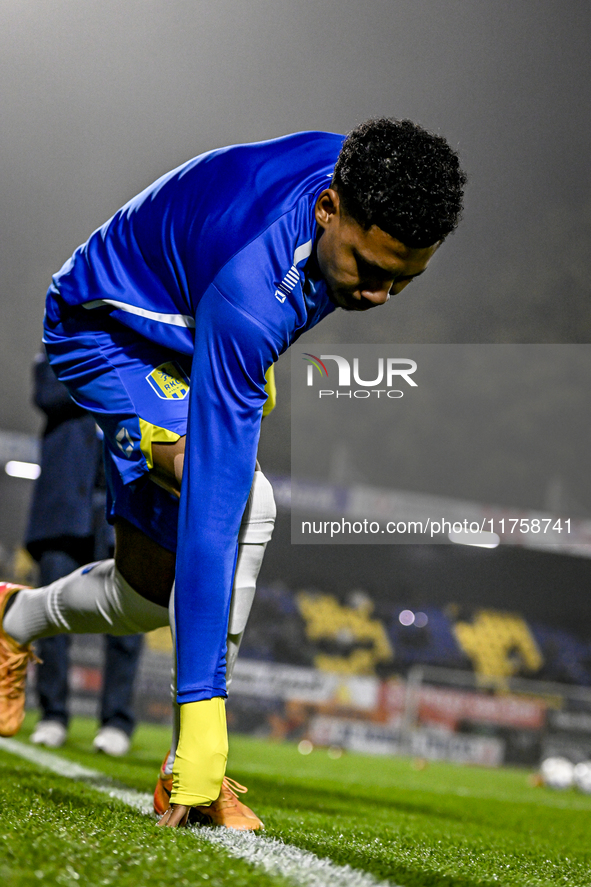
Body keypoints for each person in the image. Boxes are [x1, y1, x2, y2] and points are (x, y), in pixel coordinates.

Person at [0, 118, 466, 829]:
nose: (379, 296)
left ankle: (12, 617)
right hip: (106, 332)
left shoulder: (361, 172)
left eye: (405, 279)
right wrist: (202, 735)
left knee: (148, 595)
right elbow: (211, 522)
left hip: (189, 323)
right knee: (245, 500)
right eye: (370, 270)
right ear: (329, 209)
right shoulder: (251, 294)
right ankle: (192, 765)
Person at [25, 352, 143, 756]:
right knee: (50, 620)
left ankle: (115, 722)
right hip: (63, 508)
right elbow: (47, 393)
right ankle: (52, 714)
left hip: (120, 506)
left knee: (127, 617)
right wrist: (112, 369)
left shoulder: (138, 343)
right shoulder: (63, 341)